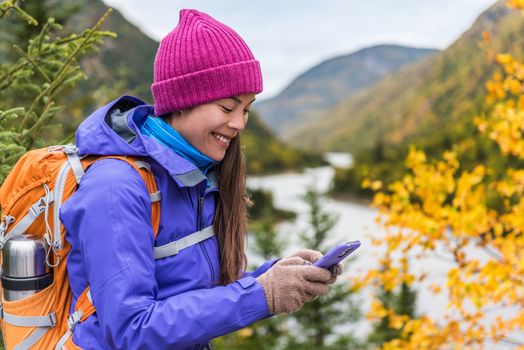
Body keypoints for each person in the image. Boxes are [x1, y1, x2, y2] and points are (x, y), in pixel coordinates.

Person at [59, 9, 342, 349]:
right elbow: (130, 330)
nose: (239, 124)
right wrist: (262, 295)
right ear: (181, 101)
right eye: (227, 108)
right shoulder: (116, 187)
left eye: (247, 110)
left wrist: (276, 276)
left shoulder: (196, 178)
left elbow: (192, 295)